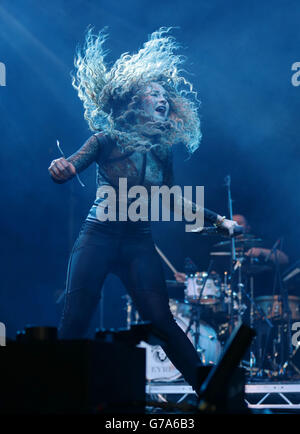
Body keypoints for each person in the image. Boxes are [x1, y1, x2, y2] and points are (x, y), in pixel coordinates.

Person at [48, 27, 238, 391]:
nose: (161, 99)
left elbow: (171, 199)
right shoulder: (105, 140)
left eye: (165, 95)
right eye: (153, 93)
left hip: (138, 243)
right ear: (134, 102)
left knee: (162, 322)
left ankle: (211, 394)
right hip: (98, 237)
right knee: (75, 321)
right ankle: (58, 397)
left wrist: (218, 221)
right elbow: (68, 168)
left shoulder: (163, 152)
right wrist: (58, 169)